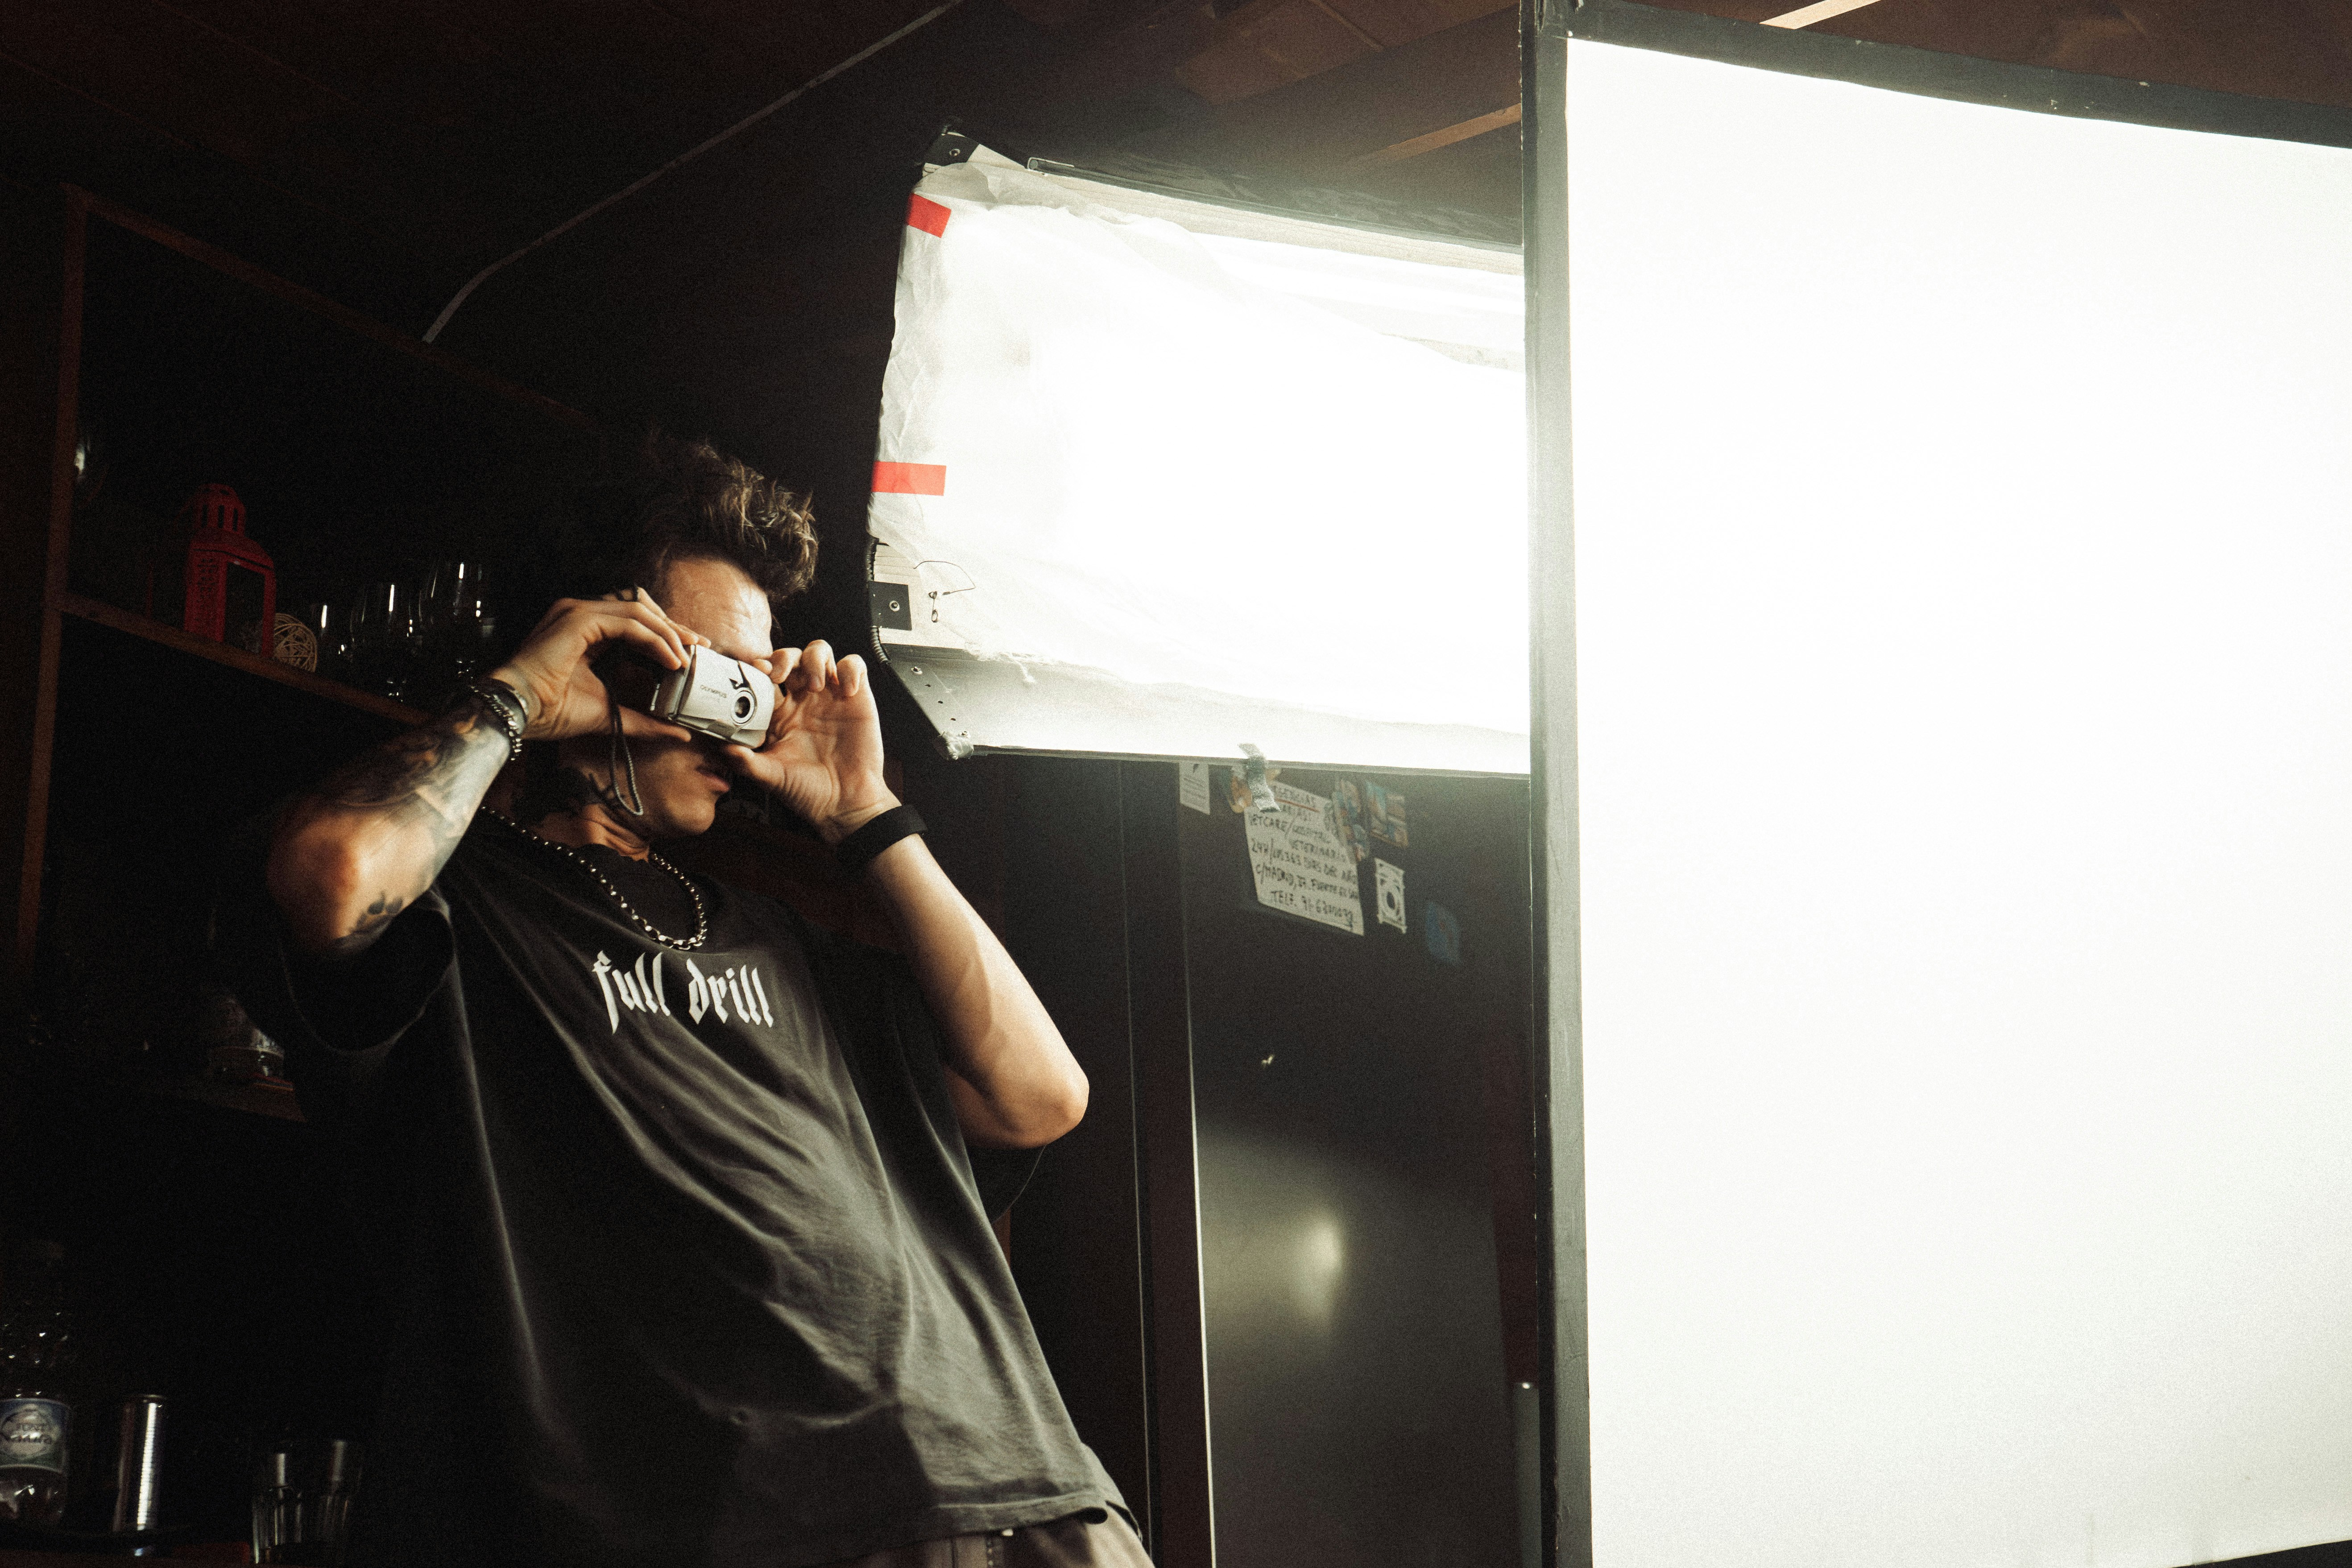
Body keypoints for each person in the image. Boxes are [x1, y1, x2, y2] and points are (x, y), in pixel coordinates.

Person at [216, 439, 1145, 1568]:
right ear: (598, 647)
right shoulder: (462, 907)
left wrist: (864, 814)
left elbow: (1039, 1096)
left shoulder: (780, 934)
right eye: (709, 674)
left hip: (1029, 1495)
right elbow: (332, 878)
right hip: (767, 1529)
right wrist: (518, 696)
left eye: (755, 684)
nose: (739, 719)